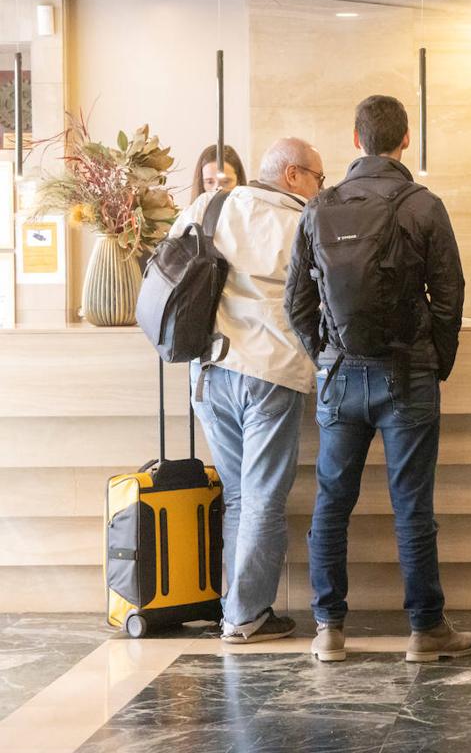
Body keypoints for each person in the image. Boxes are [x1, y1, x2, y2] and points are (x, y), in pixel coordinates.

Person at [286, 94, 471, 664]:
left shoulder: (318, 207)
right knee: (412, 504)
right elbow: (449, 296)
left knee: (331, 504)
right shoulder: (423, 206)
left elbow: (296, 301)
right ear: (406, 139)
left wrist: (326, 354)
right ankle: (425, 631)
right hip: (407, 375)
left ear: (354, 138)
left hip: (340, 376)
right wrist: (434, 362)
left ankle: (329, 629)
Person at [169, 137, 324, 643]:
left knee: (238, 496)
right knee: (261, 499)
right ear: (295, 175)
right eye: (319, 178)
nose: (321, 188)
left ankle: (237, 608)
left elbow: (170, 264)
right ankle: (244, 615)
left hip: (209, 369)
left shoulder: (211, 204)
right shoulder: (302, 222)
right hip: (270, 374)